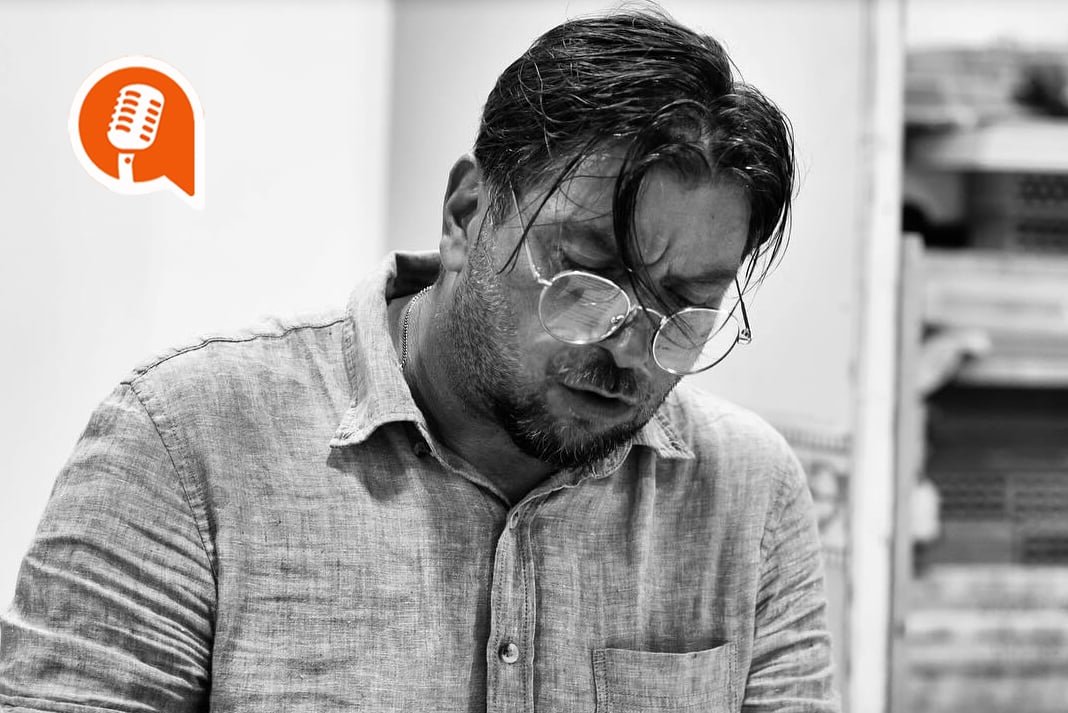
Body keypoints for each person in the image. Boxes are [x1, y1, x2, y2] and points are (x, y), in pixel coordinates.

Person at [0, 9, 837, 712]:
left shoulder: (747, 494)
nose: (626, 342)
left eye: (685, 302)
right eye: (587, 272)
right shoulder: (188, 444)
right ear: (467, 213)